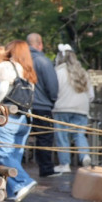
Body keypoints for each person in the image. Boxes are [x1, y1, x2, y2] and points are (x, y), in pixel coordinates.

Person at [0, 39, 37, 202]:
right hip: (25, 118)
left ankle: (24, 181)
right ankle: (14, 190)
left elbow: (2, 89)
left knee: (2, 152)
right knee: (14, 155)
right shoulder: (28, 70)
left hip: (9, 116)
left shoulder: (6, 67)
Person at [52, 43, 94, 173]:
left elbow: (53, 92)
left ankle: (65, 164)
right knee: (79, 135)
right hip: (81, 109)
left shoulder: (58, 72)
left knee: (62, 136)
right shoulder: (83, 72)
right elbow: (91, 95)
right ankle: (85, 156)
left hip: (62, 108)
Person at [26, 33, 59, 178]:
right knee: (45, 138)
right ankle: (46, 169)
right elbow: (52, 85)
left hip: (25, 105)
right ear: (40, 44)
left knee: (21, 137)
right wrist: (52, 100)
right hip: (42, 105)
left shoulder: (22, 60)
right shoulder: (43, 61)